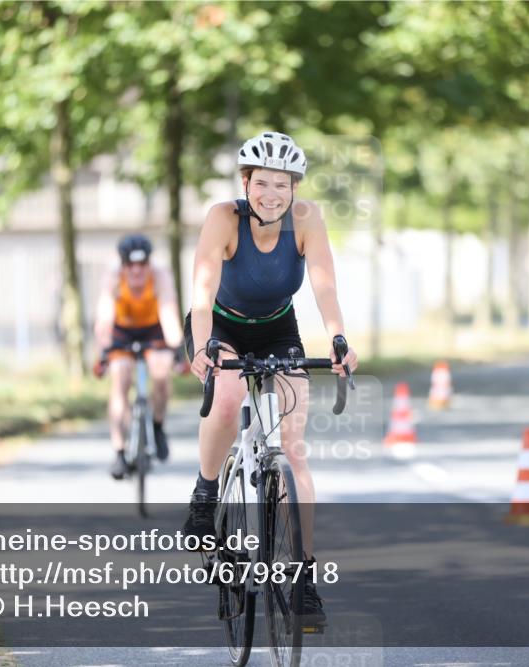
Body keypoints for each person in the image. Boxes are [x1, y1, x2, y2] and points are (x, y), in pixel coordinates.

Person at [182, 131, 359, 625]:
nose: (272, 194)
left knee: (294, 444)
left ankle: (303, 577)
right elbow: (201, 289)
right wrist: (202, 347)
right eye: (262, 183)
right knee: (229, 394)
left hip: (278, 327)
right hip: (219, 324)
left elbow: (324, 285)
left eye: (282, 184)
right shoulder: (224, 218)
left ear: (294, 187)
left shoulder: (306, 220)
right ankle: (206, 489)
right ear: (246, 182)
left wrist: (339, 339)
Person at [93, 234, 183, 479]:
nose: (136, 271)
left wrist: (178, 351)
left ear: (149, 263)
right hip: (122, 331)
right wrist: (103, 352)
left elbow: (168, 313)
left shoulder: (160, 275)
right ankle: (120, 451)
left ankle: (157, 425)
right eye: (130, 265)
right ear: (122, 265)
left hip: (153, 329)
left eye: (142, 264)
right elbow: (104, 317)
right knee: (120, 379)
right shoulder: (113, 278)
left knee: (162, 374)